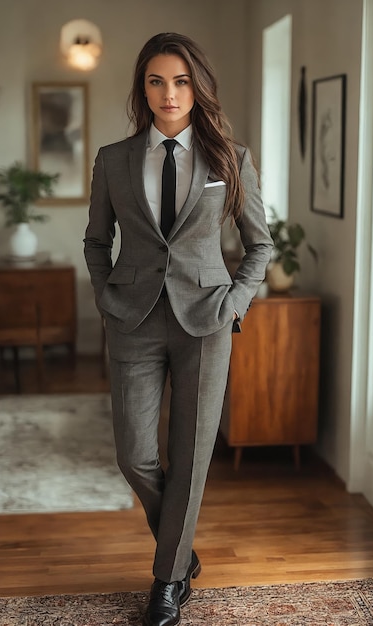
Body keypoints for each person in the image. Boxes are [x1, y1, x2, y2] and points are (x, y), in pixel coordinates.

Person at [84, 32, 273, 626]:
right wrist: (104, 296)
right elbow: (95, 241)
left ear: (198, 88)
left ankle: (167, 583)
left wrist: (235, 304)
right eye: (157, 81)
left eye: (181, 81)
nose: (170, 93)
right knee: (135, 456)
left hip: (206, 322)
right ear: (143, 89)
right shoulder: (113, 159)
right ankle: (181, 548)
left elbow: (259, 247)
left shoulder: (229, 159)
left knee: (190, 457)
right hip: (133, 320)